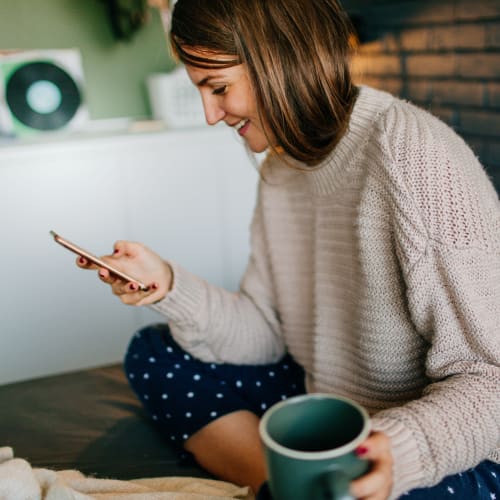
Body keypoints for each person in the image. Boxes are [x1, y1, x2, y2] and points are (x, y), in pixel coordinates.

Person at [77, 0, 500, 498]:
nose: (212, 115)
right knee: (154, 351)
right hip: (329, 404)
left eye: (218, 88)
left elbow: (490, 382)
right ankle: (295, 486)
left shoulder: (413, 155)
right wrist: (168, 285)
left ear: (279, 61)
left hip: (432, 447)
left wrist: (400, 450)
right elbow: (266, 331)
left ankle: (307, 486)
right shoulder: (281, 168)